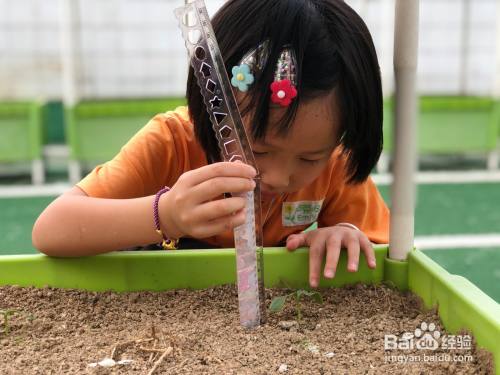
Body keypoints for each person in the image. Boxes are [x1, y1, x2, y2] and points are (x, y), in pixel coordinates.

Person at [32, 0, 389, 288]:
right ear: (214, 106)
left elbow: (386, 248)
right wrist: (166, 214)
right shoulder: (172, 141)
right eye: (259, 151)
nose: (279, 177)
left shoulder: (334, 161)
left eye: (309, 158)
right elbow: (52, 229)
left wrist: (345, 236)